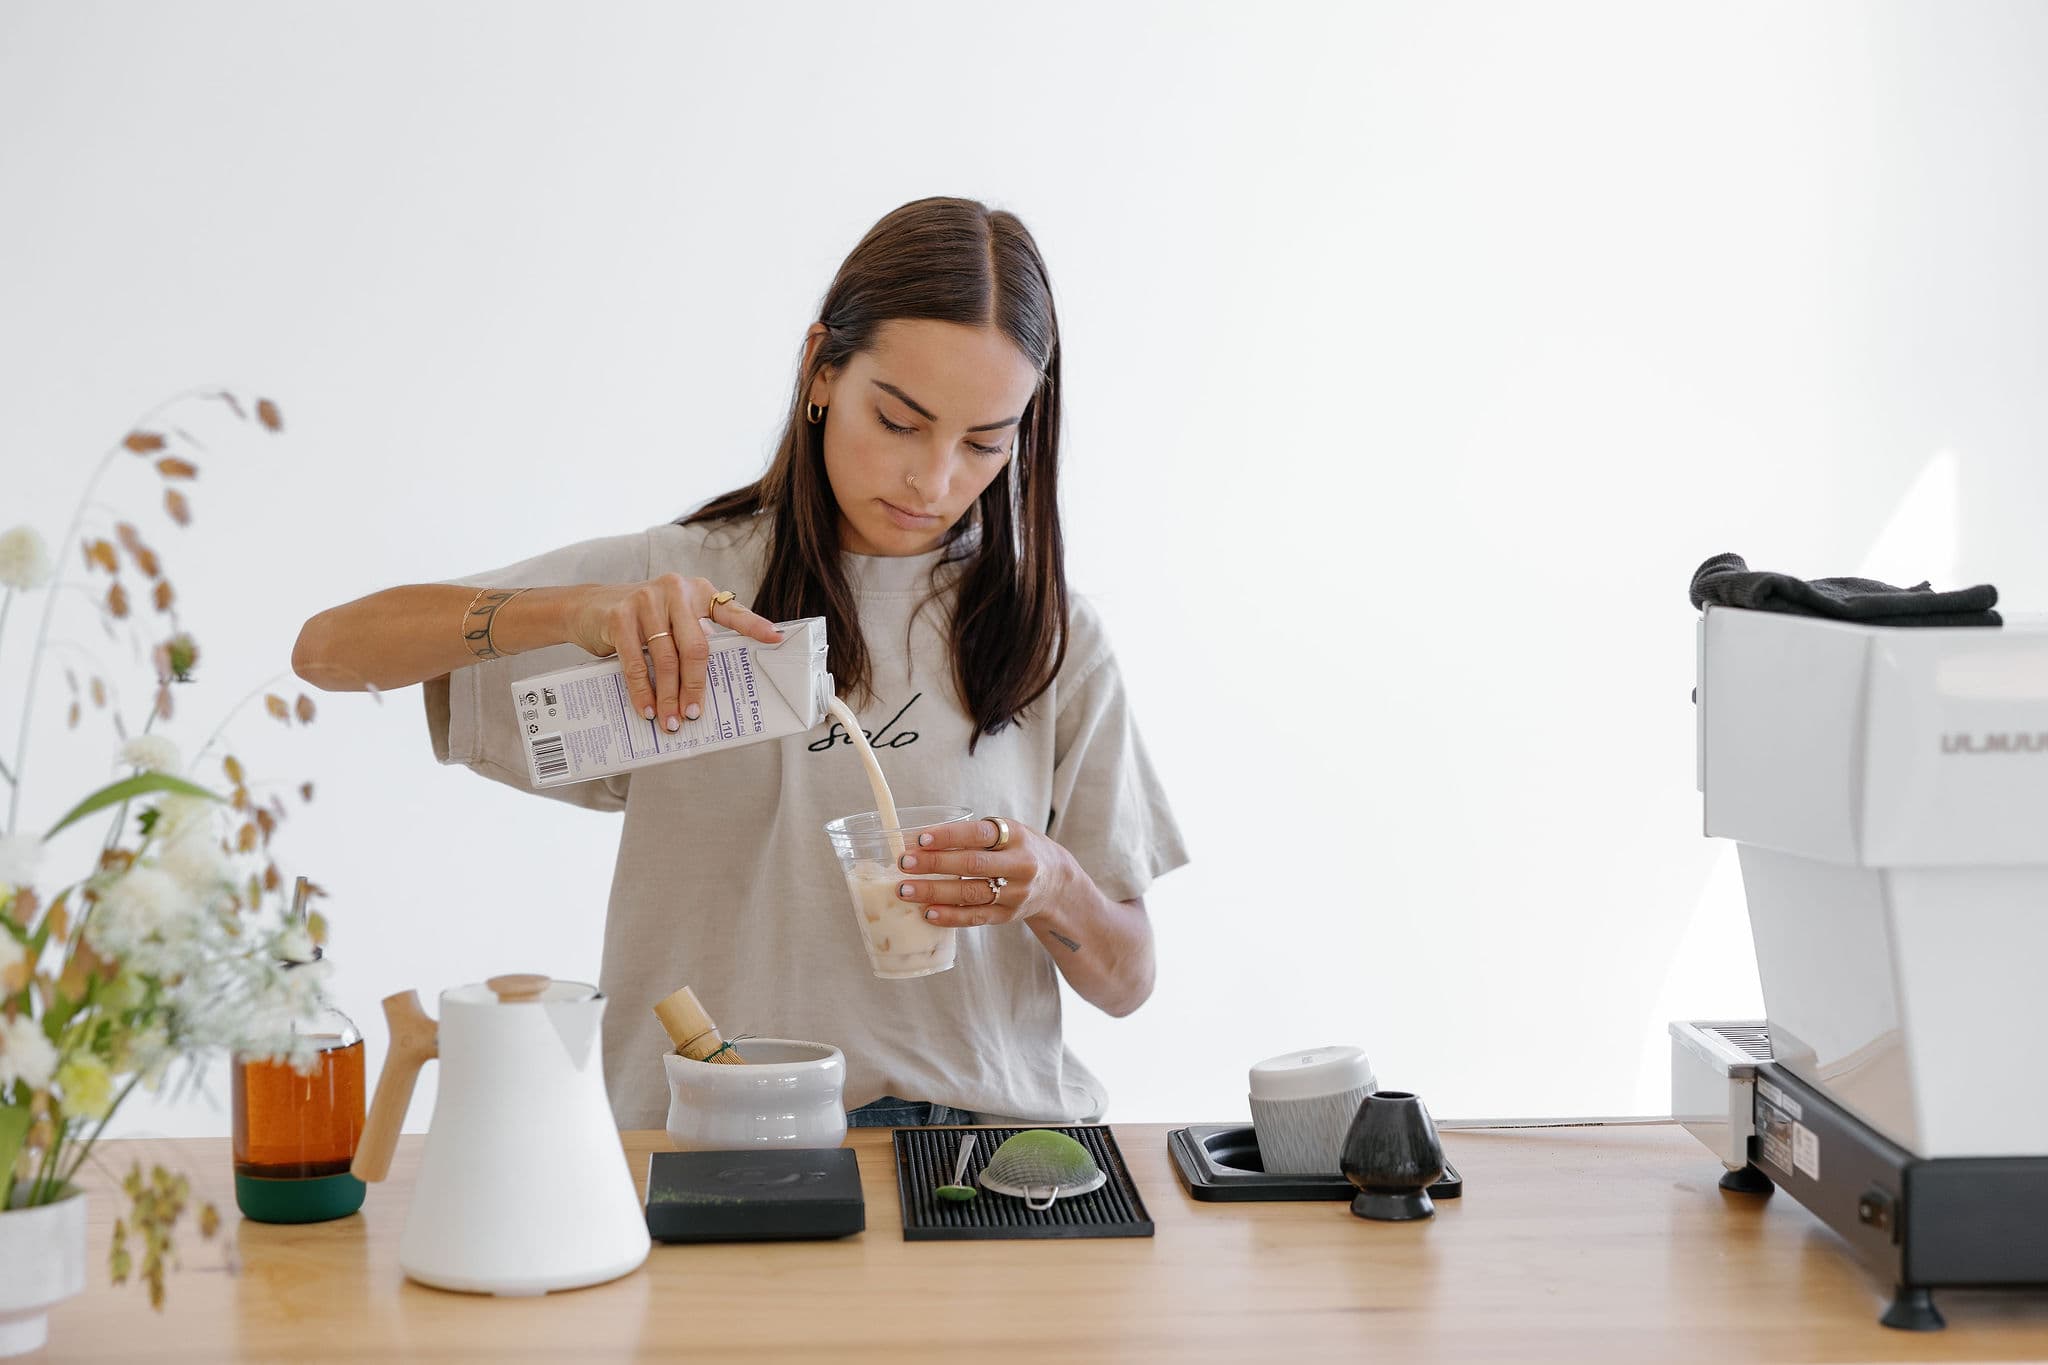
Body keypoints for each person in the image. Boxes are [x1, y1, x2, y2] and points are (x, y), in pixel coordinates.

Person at [293, 196, 1188, 1130]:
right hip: (712, 1142)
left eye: (983, 444)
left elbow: (1128, 980)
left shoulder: (1050, 635)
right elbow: (329, 649)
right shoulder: (681, 589)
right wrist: (578, 611)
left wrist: (1052, 882)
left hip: (986, 1162)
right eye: (899, 421)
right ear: (821, 369)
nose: (935, 480)